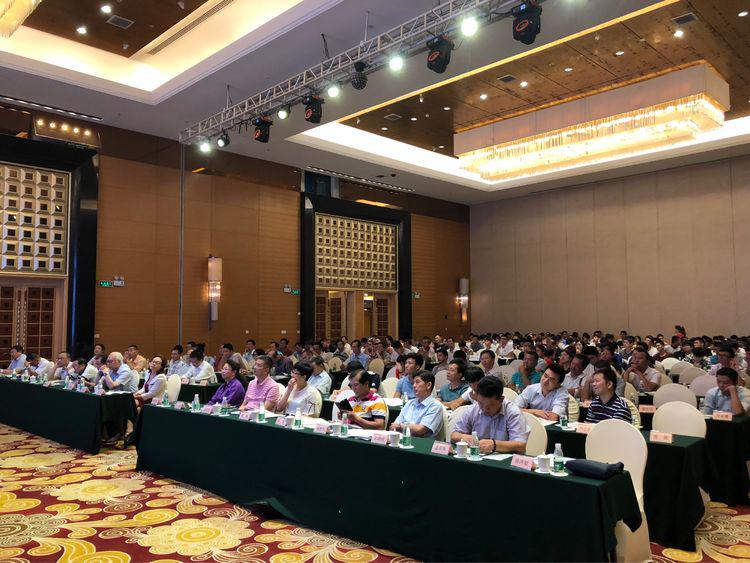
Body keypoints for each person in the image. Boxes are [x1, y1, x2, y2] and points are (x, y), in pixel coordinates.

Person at [450, 376, 529, 454]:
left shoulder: (513, 412)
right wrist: (465, 437)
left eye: (490, 405)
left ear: (501, 399)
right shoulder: (473, 409)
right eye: (481, 403)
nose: (484, 409)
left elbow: (521, 446)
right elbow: (454, 435)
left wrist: (494, 445)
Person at [390, 372, 443, 437]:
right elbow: (393, 426)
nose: (414, 386)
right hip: (402, 438)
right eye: (413, 383)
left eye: (417, 382)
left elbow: (420, 430)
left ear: (428, 385)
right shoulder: (409, 403)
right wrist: (398, 426)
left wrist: (400, 426)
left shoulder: (435, 406)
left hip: (420, 442)